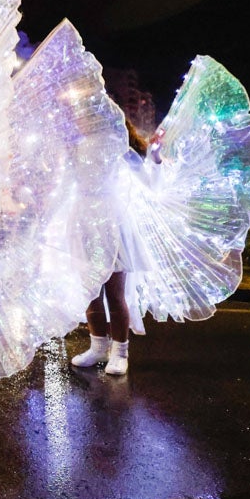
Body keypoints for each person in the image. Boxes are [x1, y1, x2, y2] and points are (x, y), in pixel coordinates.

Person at [71, 118, 148, 376]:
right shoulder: (76, 144)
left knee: (115, 293)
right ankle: (97, 347)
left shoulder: (120, 145)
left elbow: (146, 178)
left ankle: (120, 351)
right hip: (83, 220)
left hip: (111, 221)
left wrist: (156, 158)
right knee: (91, 292)